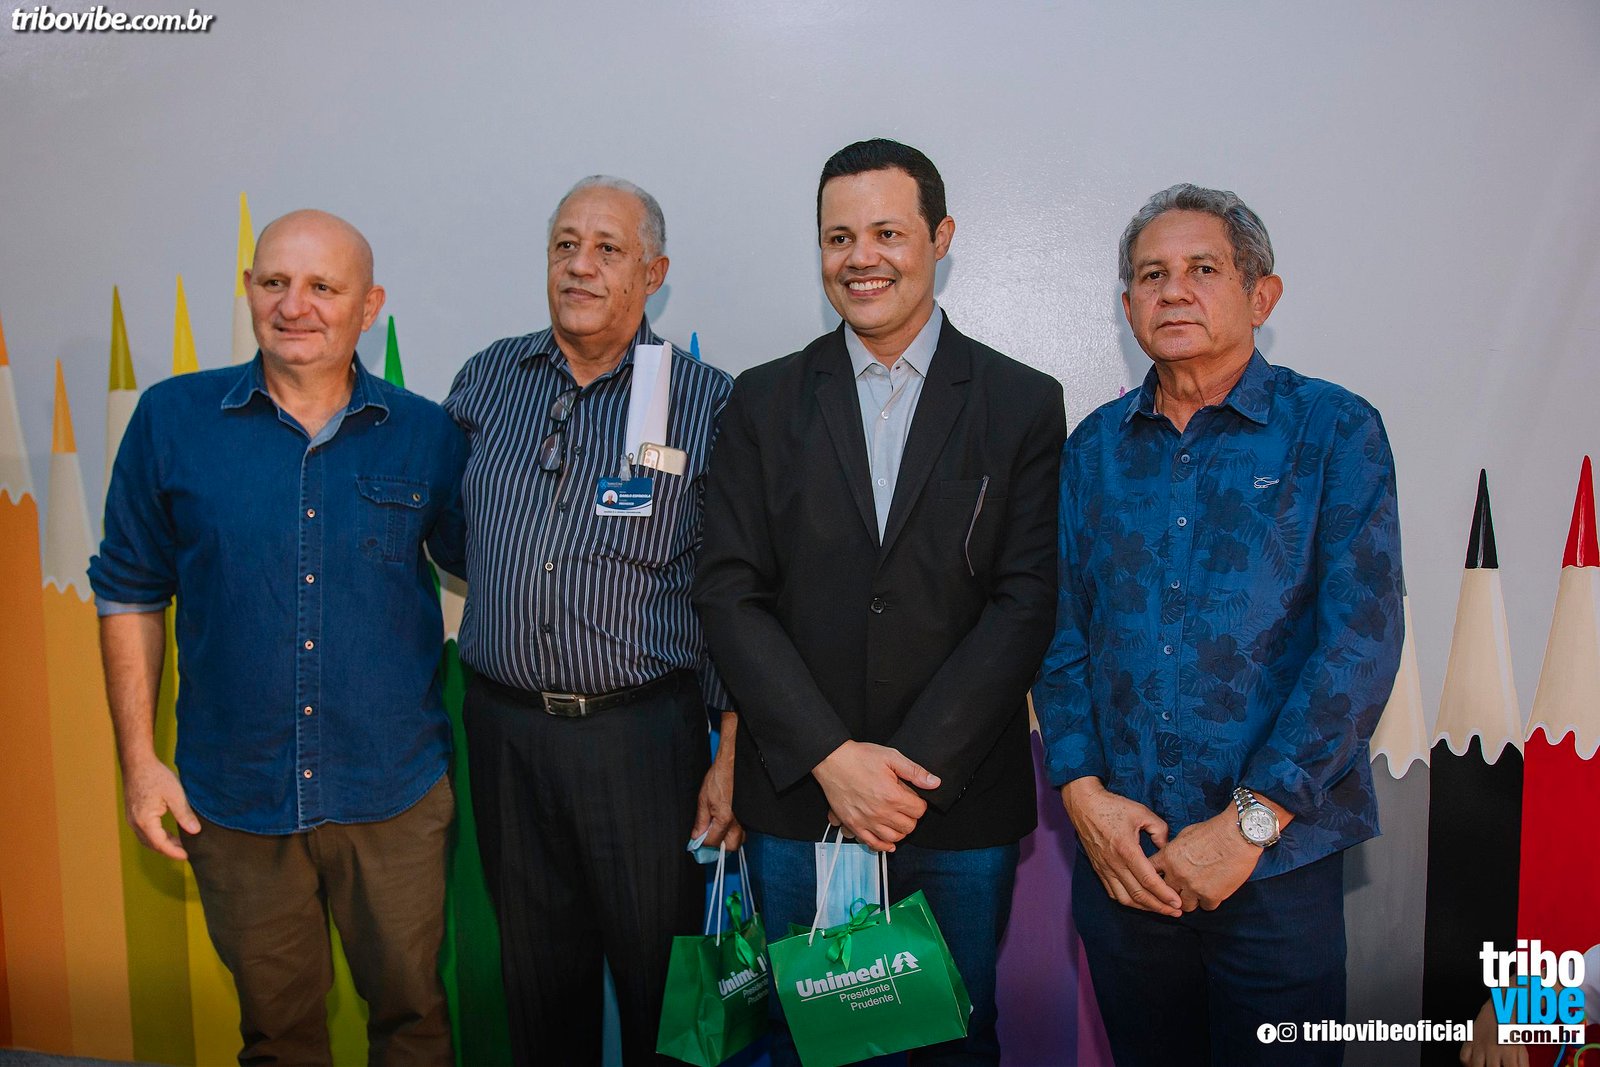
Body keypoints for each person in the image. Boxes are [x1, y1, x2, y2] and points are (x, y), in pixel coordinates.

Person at [694, 138, 1065, 1065]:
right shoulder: (762, 400)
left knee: (952, 1040)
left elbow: (1024, 602)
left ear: (941, 238)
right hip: (800, 802)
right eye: (839, 237)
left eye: (888, 233)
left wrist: (902, 774)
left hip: (953, 803)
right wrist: (831, 757)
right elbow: (730, 592)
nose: (862, 258)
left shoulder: (1021, 402)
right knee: (813, 1045)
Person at [1034, 184, 1404, 1066]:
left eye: (1203, 269)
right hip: (1127, 863)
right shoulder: (1092, 449)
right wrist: (1082, 794)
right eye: (1150, 275)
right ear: (1127, 305)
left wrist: (1247, 825)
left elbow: (1359, 643)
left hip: (1276, 868)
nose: (1173, 291)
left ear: (1260, 295)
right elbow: (1059, 635)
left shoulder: (1333, 430)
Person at [90, 209, 465, 1066]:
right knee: (276, 1036)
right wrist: (140, 761)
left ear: (368, 306)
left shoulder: (427, 434)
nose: (294, 305)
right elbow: (129, 592)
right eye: (274, 282)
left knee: (413, 1022)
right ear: (249, 289)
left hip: (394, 793)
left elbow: (491, 561)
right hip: (235, 799)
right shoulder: (172, 420)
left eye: (322, 286)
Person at [440, 175, 738, 1065]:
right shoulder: (487, 379)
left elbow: (734, 588)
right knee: (539, 993)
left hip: (643, 744)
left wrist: (734, 750)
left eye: (608, 249)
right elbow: (455, 536)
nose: (580, 265)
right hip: (506, 735)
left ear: (654, 274)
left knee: (665, 999)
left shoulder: (704, 401)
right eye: (565, 245)